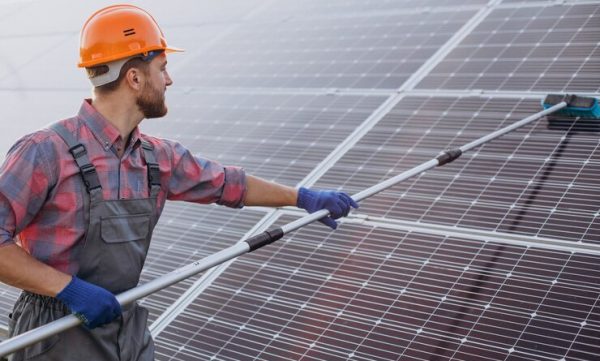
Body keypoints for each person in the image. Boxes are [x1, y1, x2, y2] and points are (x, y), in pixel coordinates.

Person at [0, 4, 358, 361]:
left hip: (125, 329)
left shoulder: (157, 158)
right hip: (53, 334)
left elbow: (229, 185)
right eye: (162, 68)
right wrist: (69, 290)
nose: (169, 80)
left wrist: (303, 198)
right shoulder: (45, 152)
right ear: (135, 78)